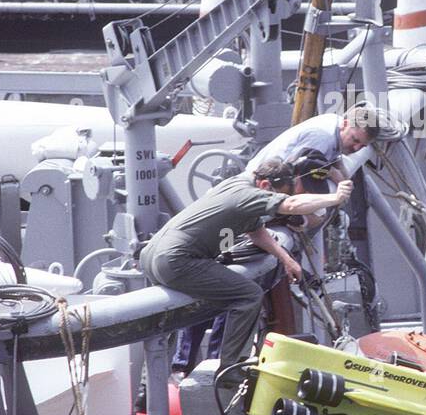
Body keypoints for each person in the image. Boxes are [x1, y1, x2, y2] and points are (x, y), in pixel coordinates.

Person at [139, 157, 352, 387]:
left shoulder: (236, 184)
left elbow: (255, 229)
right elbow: (291, 206)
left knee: (166, 320)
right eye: (275, 196)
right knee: (248, 295)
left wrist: (286, 259)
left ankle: (147, 389)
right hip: (176, 260)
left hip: (152, 255)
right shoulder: (249, 195)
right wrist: (335, 198)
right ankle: (231, 367)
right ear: (264, 186)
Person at [242, 102, 383, 184]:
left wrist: (344, 177)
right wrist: (332, 173)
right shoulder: (323, 137)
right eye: (355, 140)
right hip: (257, 181)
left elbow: (332, 157)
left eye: (363, 146)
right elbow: (298, 169)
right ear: (345, 124)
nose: (356, 148)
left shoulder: (335, 123)